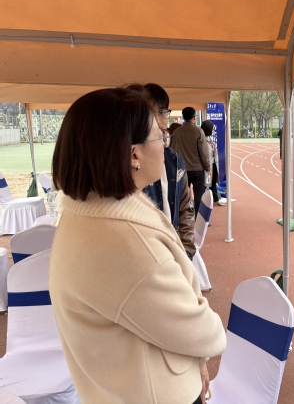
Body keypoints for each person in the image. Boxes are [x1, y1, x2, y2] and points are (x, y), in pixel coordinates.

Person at [49, 87, 227, 403]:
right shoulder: (128, 241)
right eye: (160, 136)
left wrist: (195, 361)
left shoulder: (82, 213)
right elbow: (203, 332)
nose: (165, 143)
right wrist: (205, 342)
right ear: (134, 154)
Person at [130, 83, 196, 260]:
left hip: (173, 254)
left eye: (162, 112)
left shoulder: (175, 160)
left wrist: (186, 252)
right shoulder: (128, 167)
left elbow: (185, 207)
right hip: (148, 258)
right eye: (150, 113)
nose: (158, 120)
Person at [170, 107, 211, 217]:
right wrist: (208, 167)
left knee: (181, 195)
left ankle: (181, 218)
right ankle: (199, 218)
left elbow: (172, 150)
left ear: (183, 117)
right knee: (199, 195)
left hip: (181, 169)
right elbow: (204, 152)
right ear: (194, 117)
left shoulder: (176, 132)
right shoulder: (198, 131)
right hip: (197, 169)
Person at [200, 120, 224, 206]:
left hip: (213, 164)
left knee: (213, 182)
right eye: (212, 128)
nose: (213, 130)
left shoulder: (210, 139)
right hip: (205, 165)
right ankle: (202, 202)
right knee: (204, 184)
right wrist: (207, 167)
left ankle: (215, 199)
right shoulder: (201, 139)